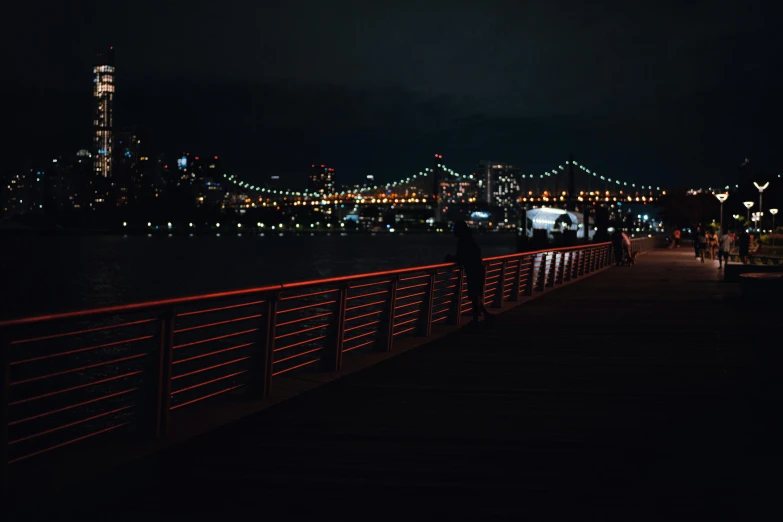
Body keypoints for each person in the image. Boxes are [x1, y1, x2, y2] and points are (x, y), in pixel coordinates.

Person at [446, 221, 495, 328]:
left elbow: (461, 258)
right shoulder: (470, 239)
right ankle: (481, 316)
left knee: (474, 295)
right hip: (477, 269)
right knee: (475, 295)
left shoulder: (463, 241)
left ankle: (480, 317)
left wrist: (450, 258)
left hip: (473, 270)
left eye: (455, 229)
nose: (453, 232)